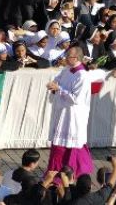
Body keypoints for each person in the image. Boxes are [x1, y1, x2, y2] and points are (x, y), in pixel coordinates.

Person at [46, 46, 106, 177]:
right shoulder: (66, 69)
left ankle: (74, 170)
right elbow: (58, 80)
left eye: (68, 56)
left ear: (76, 58)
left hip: (74, 115)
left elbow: (76, 99)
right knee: (60, 143)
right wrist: (53, 85)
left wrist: (59, 89)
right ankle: (57, 170)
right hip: (63, 112)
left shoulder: (82, 75)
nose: (65, 58)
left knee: (73, 142)